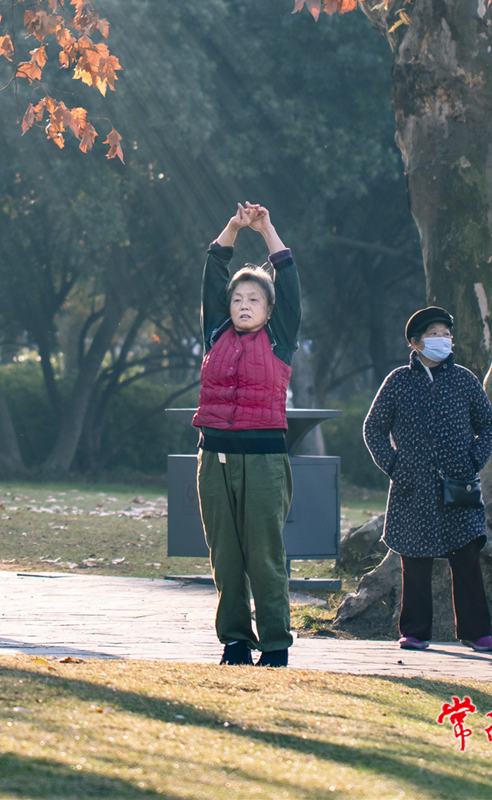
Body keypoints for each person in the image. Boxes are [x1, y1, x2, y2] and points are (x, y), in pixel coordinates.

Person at [192, 202, 301, 667]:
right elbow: (213, 271)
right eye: (238, 299)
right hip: (213, 457)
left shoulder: (280, 339)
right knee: (226, 556)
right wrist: (234, 228)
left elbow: (288, 280)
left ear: (269, 309)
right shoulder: (216, 332)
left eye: (254, 300)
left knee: (264, 555)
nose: (243, 306)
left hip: (263, 461)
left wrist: (267, 230)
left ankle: (275, 645)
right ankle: (235, 641)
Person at [362, 306, 492, 653]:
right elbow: (373, 427)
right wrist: (394, 466)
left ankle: (476, 632)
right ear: (415, 342)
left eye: (446, 334)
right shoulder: (398, 381)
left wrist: (473, 460)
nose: (442, 340)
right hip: (412, 488)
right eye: (434, 334)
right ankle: (415, 631)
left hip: (459, 486)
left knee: (467, 559)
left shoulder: (465, 380)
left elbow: (489, 425)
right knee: (414, 563)